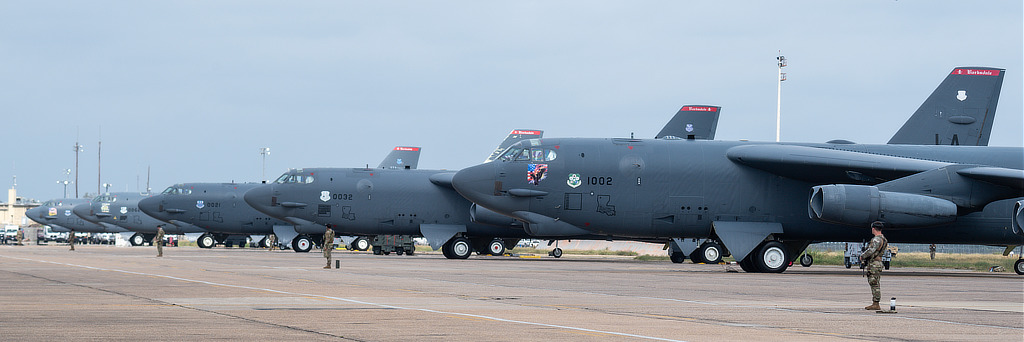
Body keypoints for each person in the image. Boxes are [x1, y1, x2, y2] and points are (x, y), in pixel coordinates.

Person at [860, 221, 888, 310]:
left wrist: (863, 256)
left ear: (873, 228)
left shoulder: (876, 239)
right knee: (876, 282)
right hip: (878, 262)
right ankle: (875, 302)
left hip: (874, 264)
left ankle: (876, 303)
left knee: (874, 283)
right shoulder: (884, 239)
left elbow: (871, 250)